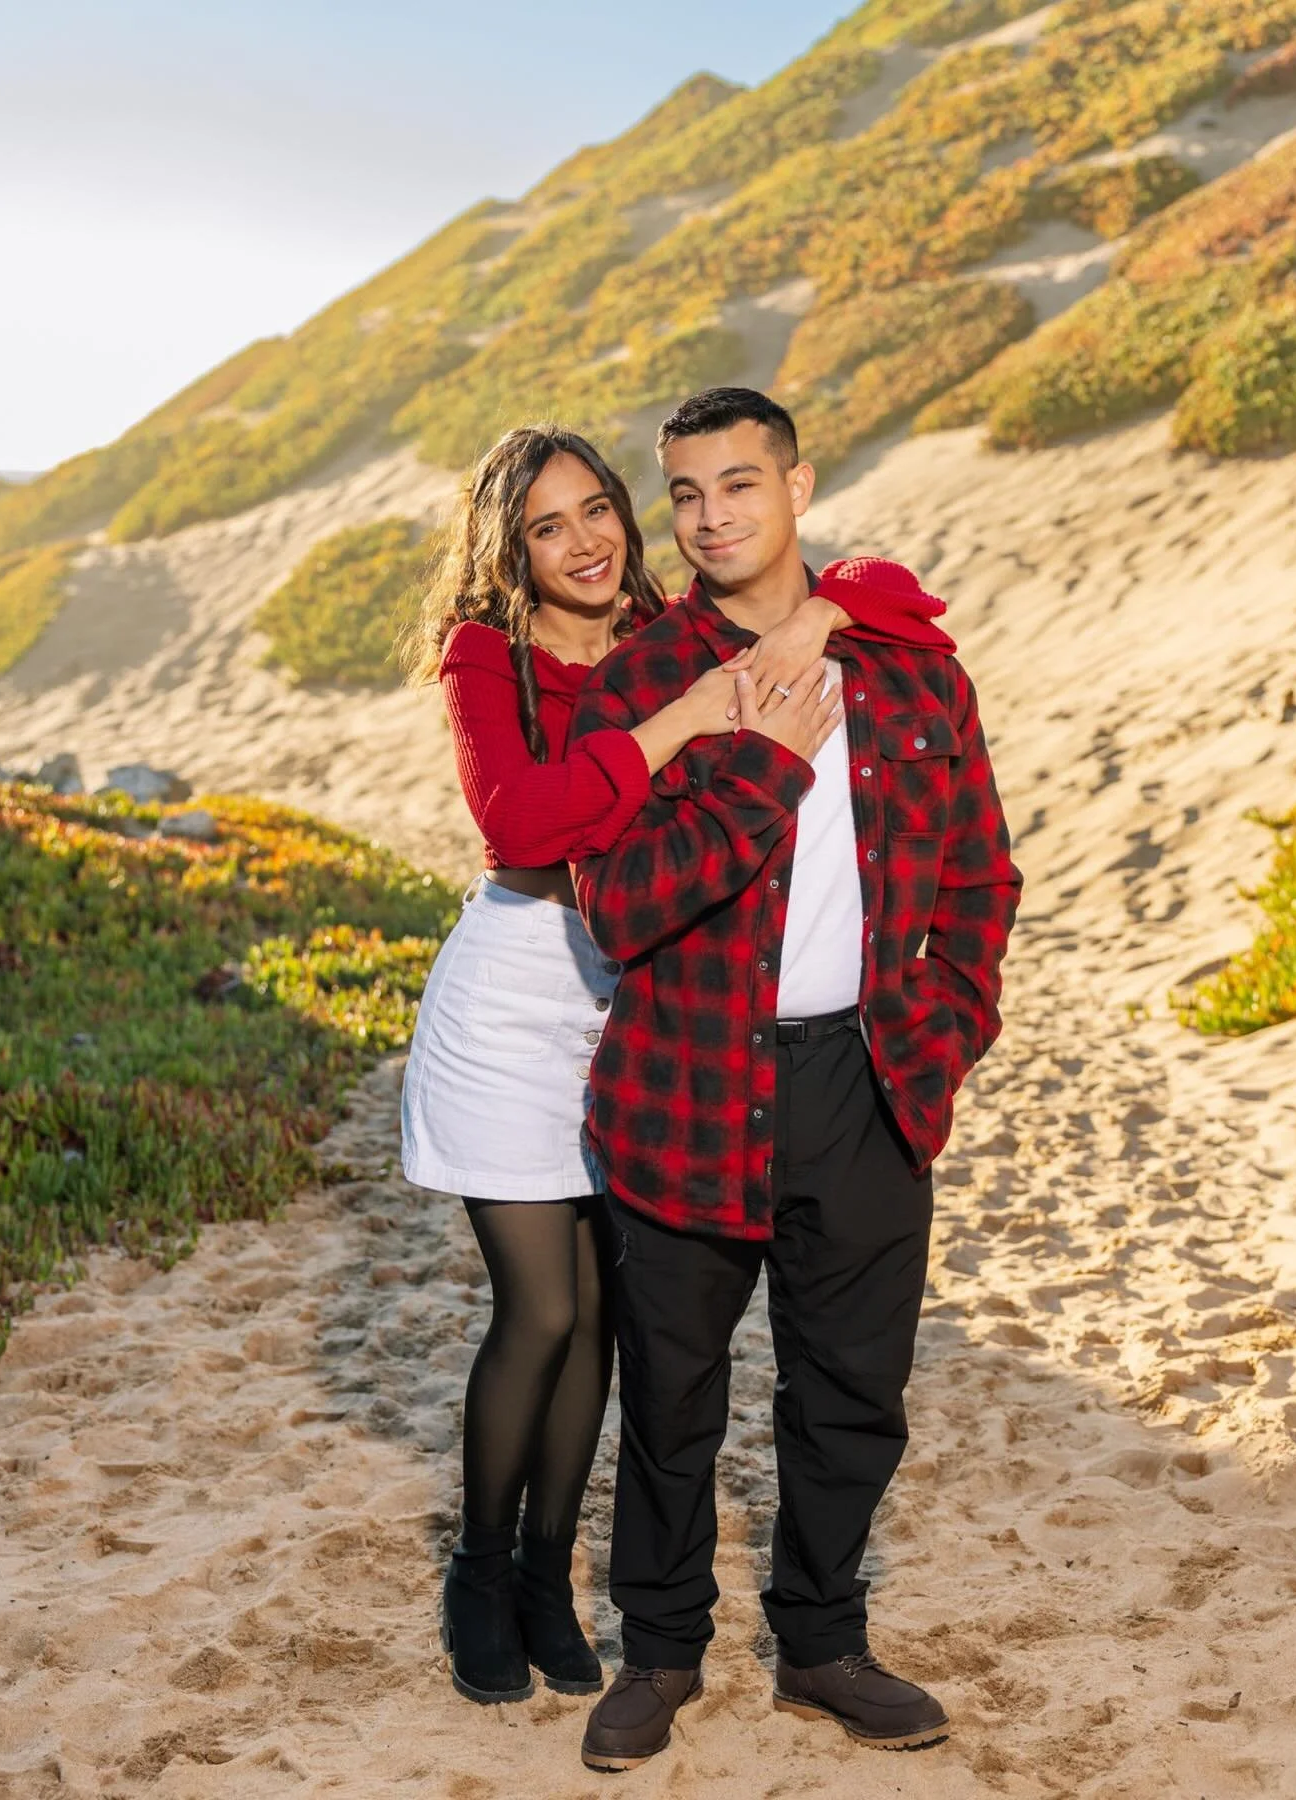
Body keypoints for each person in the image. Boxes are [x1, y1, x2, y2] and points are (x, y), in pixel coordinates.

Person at [398, 422, 948, 1707]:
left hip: (648, 1006)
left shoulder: (658, 626)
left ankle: (547, 1570)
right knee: (541, 1311)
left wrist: (827, 615)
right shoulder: (492, 654)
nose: (585, 540)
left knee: (608, 1321)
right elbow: (524, 820)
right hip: (523, 994)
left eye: (599, 510)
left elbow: (836, 595)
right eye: (549, 525)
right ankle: (480, 1570)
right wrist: (694, 714)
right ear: (508, 548)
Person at [568, 388, 1022, 1770]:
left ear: (799, 485)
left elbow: (977, 875)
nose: (710, 519)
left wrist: (942, 1031)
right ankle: (658, 1656)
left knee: (851, 1392)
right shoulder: (645, 683)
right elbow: (619, 907)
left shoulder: (913, 673)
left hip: (866, 1084)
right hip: (687, 1085)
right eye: (687, 495)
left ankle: (822, 1643)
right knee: (672, 1398)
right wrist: (763, 767)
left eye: (739, 487)